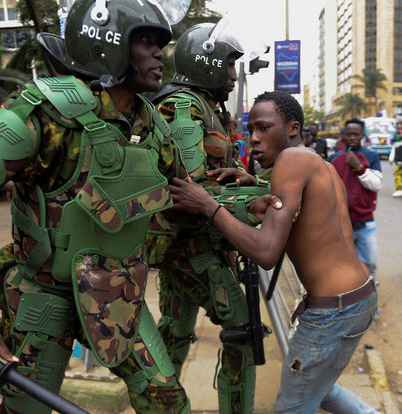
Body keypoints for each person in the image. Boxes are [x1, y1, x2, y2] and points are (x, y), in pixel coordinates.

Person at [0, 1, 191, 412]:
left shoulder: (150, 124)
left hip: (117, 297)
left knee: (168, 403)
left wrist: (243, 202)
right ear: (108, 44)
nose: (160, 53)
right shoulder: (45, 112)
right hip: (42, 297)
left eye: (161, 43)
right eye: (146, 41)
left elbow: (185, 192)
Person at [168, 91, 379, 414]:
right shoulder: (314, 161)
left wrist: (208, 206)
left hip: (332, 311)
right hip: (358, 296)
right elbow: (303, 212)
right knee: (318, 389)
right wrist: (253, 183)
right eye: (251, 128)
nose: (253, 138)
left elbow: (266, 252)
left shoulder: (290, 161)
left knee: (291, 406)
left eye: (264, 128)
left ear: (292, 128)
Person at [145, 21, 267, 413]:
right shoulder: (183, 106)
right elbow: (191, 189)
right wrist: (259, 197)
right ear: (205, 63)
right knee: (244, 335)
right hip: (190, 247)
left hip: (194, 244)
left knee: (175, 334)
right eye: (228, 66)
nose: (234, 76)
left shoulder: (208, 107)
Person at [328, 118, 382, 280]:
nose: (352, 137)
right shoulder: (334, 158)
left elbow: (376, 184)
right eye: (348, 134)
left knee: (370, 263)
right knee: (340, 263)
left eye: (356, 134)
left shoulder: (371, 156)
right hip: (340, 222)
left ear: (362, 135)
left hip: (365, 222)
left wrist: (359, 167)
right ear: (343, 135)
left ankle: (371, 295)